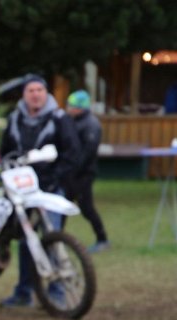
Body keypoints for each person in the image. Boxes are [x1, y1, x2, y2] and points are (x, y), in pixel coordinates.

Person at [0, 75, 80, 308]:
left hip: (50, 189)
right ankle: (24, 291)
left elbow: (73, 153)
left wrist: (56, 179)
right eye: (31, 90)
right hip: (21, 190)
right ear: (24, 95)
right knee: (27, 240)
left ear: (46, 93)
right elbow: (6, 152)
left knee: (52, 237)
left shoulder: (59, 118)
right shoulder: (15, 119)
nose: (35, 94)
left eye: (39, 90)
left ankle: (57, 292)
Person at [65, 90, 109, 253]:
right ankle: (55, 238)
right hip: (71, 173)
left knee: (86, 208)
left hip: (83, 174)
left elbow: (87, 152)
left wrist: (75, 169)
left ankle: (102, 239)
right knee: (61, 206)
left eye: (71, 105)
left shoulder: (90, 124)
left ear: (79, 107)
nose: (68, 108)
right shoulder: (73, 121)